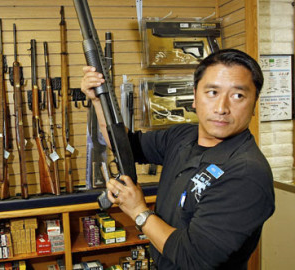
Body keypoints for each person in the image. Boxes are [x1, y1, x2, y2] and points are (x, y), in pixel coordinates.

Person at [81, 49, 275, 270]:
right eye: (212, 92)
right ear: (194, 97)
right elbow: (125, 145)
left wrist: (138, 212)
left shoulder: (246, 174)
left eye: (238, 95)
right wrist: (98, 101)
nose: (222, 108)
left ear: (254, 104)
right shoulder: (183, 136)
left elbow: (193, 258)